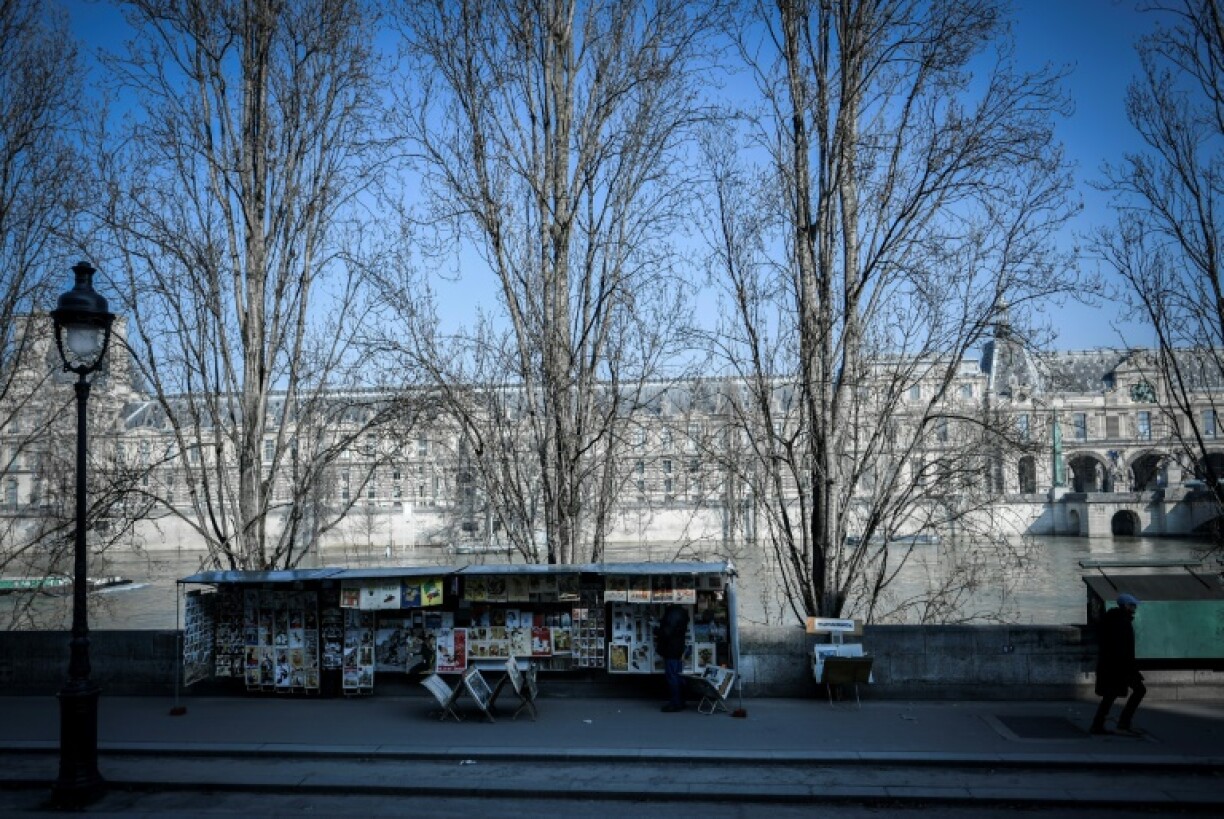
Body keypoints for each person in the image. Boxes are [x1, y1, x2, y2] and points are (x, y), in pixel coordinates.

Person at [1090, 593, 1145, 735]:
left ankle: (1099, 724)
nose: (1135, 608)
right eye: (1133, 605)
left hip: (1112, 666)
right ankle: (1122, 722)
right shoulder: (1122, 623)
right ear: (1126, 606)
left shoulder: (1113, 619)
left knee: (1110, 695)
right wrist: (1133, 670)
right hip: (1120, 667)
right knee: (1139, 691)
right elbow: (1123, 649)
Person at [654, 603, 690, 712]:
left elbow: (667, 632)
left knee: (672, 676)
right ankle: (681, 701)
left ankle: (675, 703)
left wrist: (656, 630)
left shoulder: (673, 613)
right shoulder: (681, 612)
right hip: (678, 648)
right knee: (678, 675)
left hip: (672, 649)